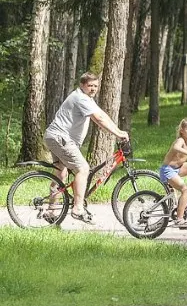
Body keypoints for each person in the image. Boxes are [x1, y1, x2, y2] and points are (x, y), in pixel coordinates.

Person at [43, 72, 129, 224]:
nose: (93, 89)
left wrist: (118, 130)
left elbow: (102, 114)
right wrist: (118, 133)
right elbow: (99, 119)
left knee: (61, 173)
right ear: (82, 85)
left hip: (55, 136)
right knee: (83, 169)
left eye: (96, 86)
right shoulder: (81, 98)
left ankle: (51, 210)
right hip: (61, 138)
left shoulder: (86, 98)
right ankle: (77, 209)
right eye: (90, 86)